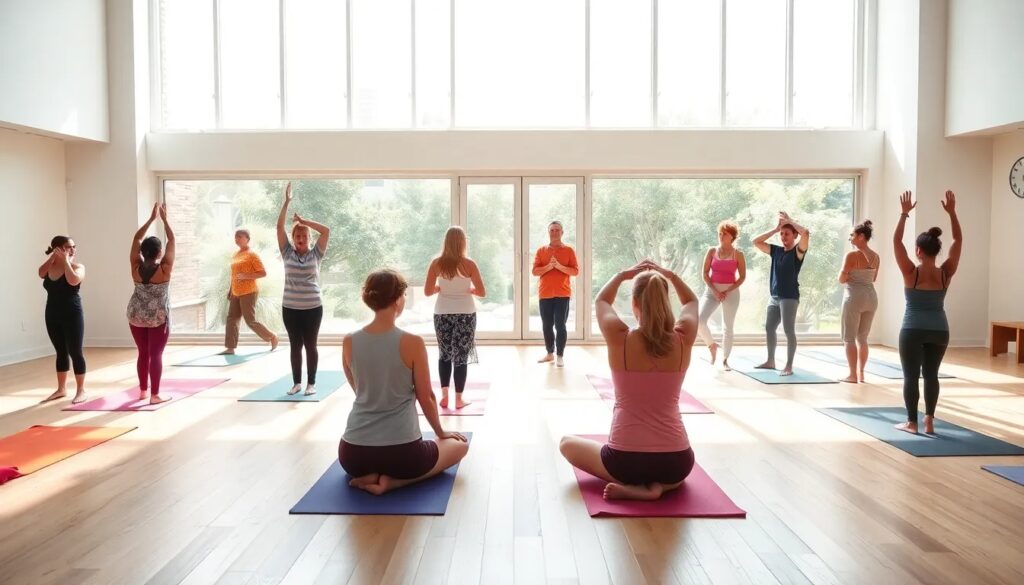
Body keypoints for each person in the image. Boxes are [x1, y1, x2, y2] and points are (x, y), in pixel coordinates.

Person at [559, 259, 699, 501]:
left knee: (566, 443)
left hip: (625, 462)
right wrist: (671, 277)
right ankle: (660, 487)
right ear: (666, 302)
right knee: (674, 474)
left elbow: (602, 301)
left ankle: (634, 485)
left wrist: (622, 275)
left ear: (635, 304)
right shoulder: (683, 338)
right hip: (676, 463)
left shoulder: (619, 338)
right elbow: (691, 302)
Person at [340, 269, 469, 495]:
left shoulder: (349, 341)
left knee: (367, 459)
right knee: (461, 446)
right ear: (398, 299)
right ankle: (394, 483)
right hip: (402, 456)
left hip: (352, 456)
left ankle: (370, 475)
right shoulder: (412, 342)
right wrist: (441, 432)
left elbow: (358, 389)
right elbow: (426, 396)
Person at [893, 190, 961, 435]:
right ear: (936, 251)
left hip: (912, 330)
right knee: (931, 375)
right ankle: (929, 420)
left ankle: (912, 422)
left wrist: (904, 214)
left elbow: (896, 243)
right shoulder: (945, 273)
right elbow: (958, 242)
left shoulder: (911, 273)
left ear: (919, 251)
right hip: (939, 330)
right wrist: (952, 213)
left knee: (911, 376)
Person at [277, 182, 330, 395]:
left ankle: (311, 384)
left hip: (312, 307)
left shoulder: (315, 254)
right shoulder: (287, 253)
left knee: (311, 345)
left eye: (304, 236)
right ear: (293, 238)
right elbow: (279, 228)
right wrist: (287, 203)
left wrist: (303, 221)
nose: (300, 239)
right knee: (295, 346)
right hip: (290, 307)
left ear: (309, 239)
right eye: (297, 236)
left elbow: (326, 231)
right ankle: (297, 382)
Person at [424, 226, 485, 409]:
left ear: (446, 242)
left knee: (444, 354)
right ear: (463, 242)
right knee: (461, 356)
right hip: (466, 313)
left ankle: (444, 396)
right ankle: (459, 399)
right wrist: (469, 289)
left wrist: (440, 288)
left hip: (442, 313)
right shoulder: (470, 264)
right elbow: (482, 292)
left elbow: (427, 291)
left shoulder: (436, 263)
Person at [127, 203, 175, 405]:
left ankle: (143, 391)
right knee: (156, 354)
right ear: (159, 252)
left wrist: (150, 219)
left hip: (136, 315)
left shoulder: (135, 266)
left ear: (143, 252)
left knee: (143, 353)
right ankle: (155, 395)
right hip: (157, 317)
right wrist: (164, 219)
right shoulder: (164, 269)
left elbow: (137, 239)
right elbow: (172, 239)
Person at [752, 211, 810, 376]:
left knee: (788, 330)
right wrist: (775, 229)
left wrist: (790, 220)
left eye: (787, 234)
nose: (783, 237)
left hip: (789, 297)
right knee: (769, 328)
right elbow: (755, 241)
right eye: (782, 234)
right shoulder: (776, 251)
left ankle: (789, 366)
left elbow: (806, 233)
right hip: (775, 297)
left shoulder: (798, 252)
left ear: (794, 236)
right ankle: (770, 361)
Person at [38, 235, 88, 404]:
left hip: (72, 314)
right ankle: (61, 389)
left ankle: (81, 390)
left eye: (74, 246)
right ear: (57, 249)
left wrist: (66, 261)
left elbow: (73, 280)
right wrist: (52, 258)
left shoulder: (77, 266)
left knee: (75, 351)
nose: (73, 250)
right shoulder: (50, 266)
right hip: (52, 314)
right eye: (68, 247)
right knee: (60, 351)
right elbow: (40, 273)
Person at [697, 221, 746, 371]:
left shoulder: (738, 254)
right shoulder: (712, 251)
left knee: (728, 327)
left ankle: (725, 360)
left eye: (724, 233)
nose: (721, 236)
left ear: (732, 237)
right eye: (719, 233)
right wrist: (715, 291)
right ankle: (712, 346)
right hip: (711, 291)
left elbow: (742, 277)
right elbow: (705, 274)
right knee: (699, 320)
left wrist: (727, 291)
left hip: (730, 293)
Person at [222, 229, 278, 354]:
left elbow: (263, 273)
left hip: (249, 292)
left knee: (250, 320)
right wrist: (231, 290)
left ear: (247, 238)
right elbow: (234, 275)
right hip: (236, 292)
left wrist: (246, 276)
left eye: (240, 237)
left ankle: (272, 337)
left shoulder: (252, 255)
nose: (237, 239)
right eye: (236, 237)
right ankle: (230, 348)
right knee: (232, 318)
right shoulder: (236, 255)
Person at [532, 221, 579, 367]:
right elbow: (534, 271)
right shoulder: (541, 251)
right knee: (547, 325)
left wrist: (559, 266)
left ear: (562, 232)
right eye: (552, 230)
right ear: (548, 233)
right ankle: (550, 354)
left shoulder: (569, 250)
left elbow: (575, 271)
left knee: (560, 325)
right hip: (545, 294)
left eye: (557, 230)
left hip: (562, 294)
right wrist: (548, 266)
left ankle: (560, 355)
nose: (554, 233)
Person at [838, 220, 879, 383]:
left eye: (852, 235)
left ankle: (852, 375)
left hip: (854, 298)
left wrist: (850, 275)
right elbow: (873, 278)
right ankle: (861, 373)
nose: (850, 238)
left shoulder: (852, 255)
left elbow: (841, 279)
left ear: (861, 237)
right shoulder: (876, 256)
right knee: (862, 338)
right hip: (871, 298)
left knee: (849, 338)